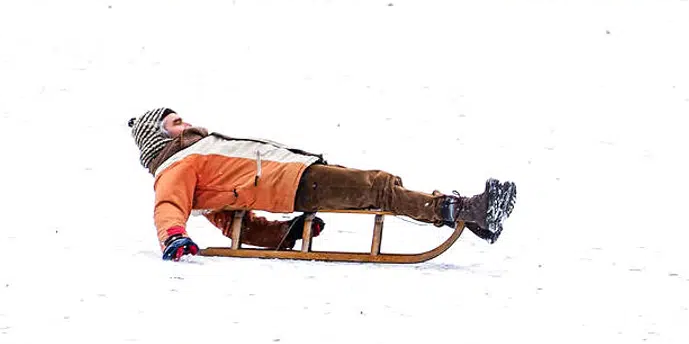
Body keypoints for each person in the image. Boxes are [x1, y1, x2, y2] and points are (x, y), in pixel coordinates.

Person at [128, 107, 517, 260]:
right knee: (377, 187)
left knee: (378, 187)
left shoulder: (200, 154)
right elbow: (168, 207)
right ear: (161, 139)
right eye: (176, 124)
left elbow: (237, 225)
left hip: (297, 174)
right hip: (292, 182)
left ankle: (471, 217)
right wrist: (174, 236)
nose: (188, 123)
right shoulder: (178, 166)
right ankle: (465, 209)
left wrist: (285, 233)